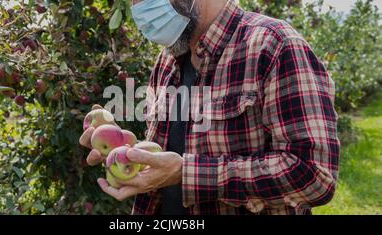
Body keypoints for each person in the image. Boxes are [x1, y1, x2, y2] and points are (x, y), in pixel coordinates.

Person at [79, 0, 340, 215]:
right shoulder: (167, 62)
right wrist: (125, 149)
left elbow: (313, 174)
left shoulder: (273, 45)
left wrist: (187, 173)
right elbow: (171, 152)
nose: (138, 8)